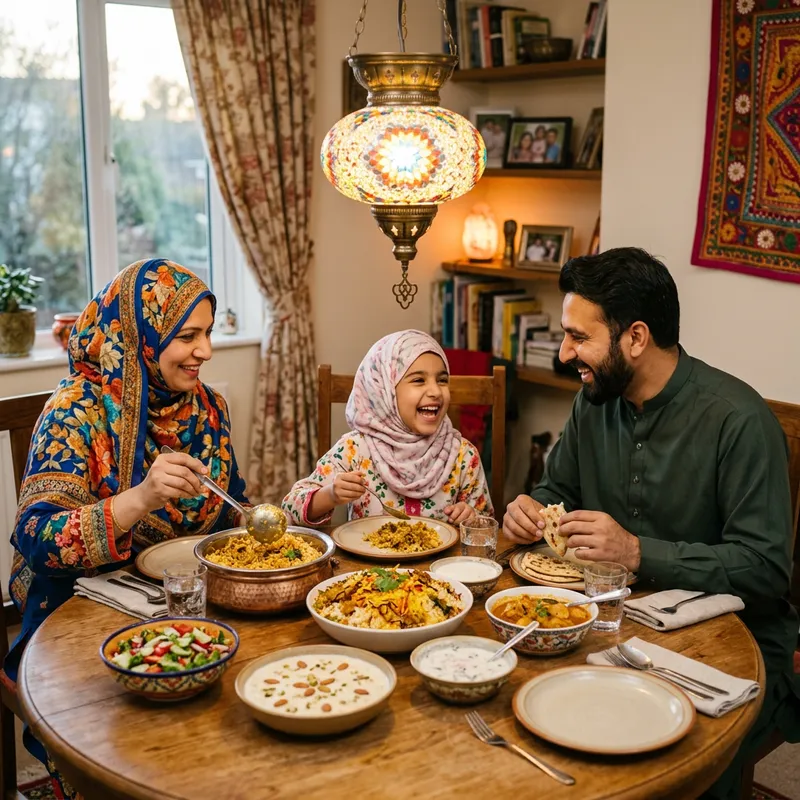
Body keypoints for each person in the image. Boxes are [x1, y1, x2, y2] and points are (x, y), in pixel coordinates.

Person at [502, 247, 800, 799]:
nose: (566, 353)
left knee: (662, 767)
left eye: (578, 336)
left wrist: (637, 552)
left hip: (734, 648)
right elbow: (554, 493)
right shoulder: (595, 401)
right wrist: (529, 510)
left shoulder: (738, 421)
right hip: (613, 623)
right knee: (525, 721)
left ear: (635, 338)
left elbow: (765, 571)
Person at [4, 259, 249, 796]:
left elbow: (233, 508)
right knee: (131, 758)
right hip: (78, 623)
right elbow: (37, 540)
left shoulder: (208, 409)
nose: (206, 351)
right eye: (188, 336)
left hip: (189, 611)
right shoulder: (75, 412)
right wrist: (138, 499)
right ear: (140, 336)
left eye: (208, 333)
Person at [282, 330, 493, 525]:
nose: (436, 391)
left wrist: (472, 518)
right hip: (367, 565)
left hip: (440, 566)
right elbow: (290, 509)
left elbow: (488, 526)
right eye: (419, 380)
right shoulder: (355, 449)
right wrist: (330, 495)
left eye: (442, 380)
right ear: (385, 391)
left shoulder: (463, 455)